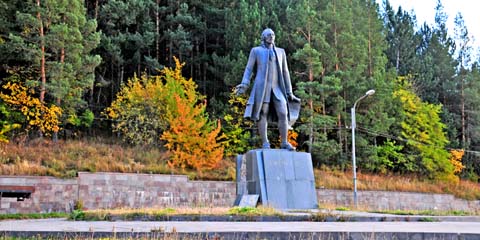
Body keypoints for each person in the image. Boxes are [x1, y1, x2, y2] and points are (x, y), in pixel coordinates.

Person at [236, 28, 301, 150]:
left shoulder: (281, 52)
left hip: (277, 89)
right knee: (262, 113)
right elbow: (249, 69)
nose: (271, 36)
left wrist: (289, 91)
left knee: (283, 112)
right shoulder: (256, 51)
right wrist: (245, 83)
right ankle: (265, 142)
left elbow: (286, 72)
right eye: (268, 35)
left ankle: (284, 142)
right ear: (263, 37)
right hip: (262, 88)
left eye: (273, 34)